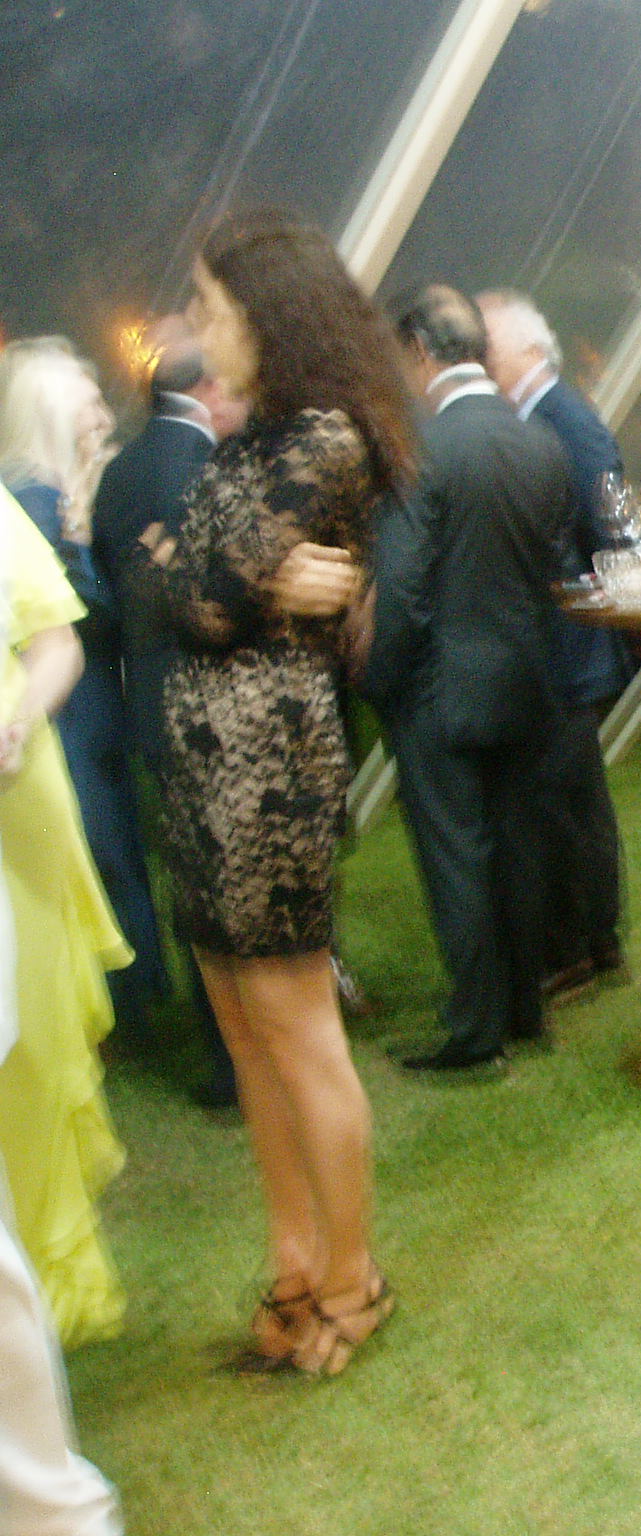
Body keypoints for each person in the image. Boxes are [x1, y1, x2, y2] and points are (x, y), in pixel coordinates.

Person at [156, 207, 409, 1376]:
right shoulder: (249, 440)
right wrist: (209, 573)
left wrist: (205, 574)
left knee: (297, 1030)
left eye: (209, 305)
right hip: (203, 773)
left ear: (269, 313)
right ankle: (294, 1261)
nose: (194, 326)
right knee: (244, 1032)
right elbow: (169, 579)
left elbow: (204, 601)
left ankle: (354, 1279)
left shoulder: (323, 438)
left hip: (268, 778)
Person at [368, 286, 569, 1074]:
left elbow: (404, 587)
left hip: (441, 690)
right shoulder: (539, 442)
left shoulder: (423, 448)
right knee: (517, 851)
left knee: (457, 858)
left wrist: (379, 680)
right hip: (524, 679)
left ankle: (475, 1031)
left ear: (419, 350)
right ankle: (525, 1008)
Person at [91, 319, 248, 1107]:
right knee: (239, 881)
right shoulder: (208, 466)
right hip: (217, 696)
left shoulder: (118, 473)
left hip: (151, 700)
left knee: (194, 880)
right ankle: (247, 1057)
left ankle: (223, 1051)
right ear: (207, 390)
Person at [0, 556, 121, 1529]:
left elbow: (58, 640)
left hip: (16, 804)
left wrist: (15, 717)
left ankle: (45, 1500)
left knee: (35, 1072)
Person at [0, 339, 164, 1051]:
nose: (102, 415)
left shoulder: (55, 492)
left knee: (113, 847)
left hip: (89, 701)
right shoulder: (35, 500)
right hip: (66, 705)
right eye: (87, 402)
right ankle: (116, 1007)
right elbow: (67, 614)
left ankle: (130, 1000)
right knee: (97, 851)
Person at [476, 290, 629, 1001]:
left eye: (488, 345)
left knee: (564, 804)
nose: (479, 357)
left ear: (530, 350)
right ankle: (592, 940)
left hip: (569, 643)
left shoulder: (564, 417)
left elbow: (606, 522)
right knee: (570, 799)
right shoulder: (542, 415)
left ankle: (577, 945)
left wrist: (611, 604)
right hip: (560, 644)